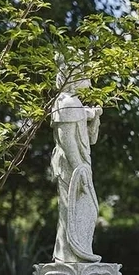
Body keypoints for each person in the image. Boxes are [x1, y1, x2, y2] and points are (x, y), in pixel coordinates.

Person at [50, 55, 103, 263]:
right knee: (74, 209)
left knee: (86, 209)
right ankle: (69, 255)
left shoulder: (76, 104)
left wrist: (94, 118)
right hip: (72, 167)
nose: (87, 83)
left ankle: (77, 252)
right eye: (84, 77)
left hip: (80, 165)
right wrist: (78, 168)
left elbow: (90, 139)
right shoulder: (67, 103)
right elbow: (67, 141)